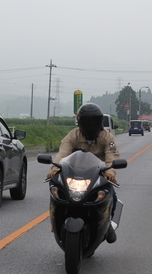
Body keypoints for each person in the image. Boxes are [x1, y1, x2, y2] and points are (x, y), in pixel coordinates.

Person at [47, 103, 120, 243]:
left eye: (93, 121)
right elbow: (62, 153)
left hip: (99, 175)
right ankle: (57, 221)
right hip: (73, 174)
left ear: (99, 121)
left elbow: (112, 156)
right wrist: (55, 170)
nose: (90, 124)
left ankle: (108, 222)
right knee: (57, 191)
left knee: (112, 194)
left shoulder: (108, 138)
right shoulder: (72, 135)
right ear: (79, 121)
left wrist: (110, 173)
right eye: (86, 121)